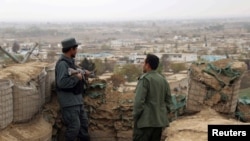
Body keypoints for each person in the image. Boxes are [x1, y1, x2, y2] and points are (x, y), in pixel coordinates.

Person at [55, 37, 90, 141]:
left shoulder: (70, 62)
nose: (77, 51)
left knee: (83, 126)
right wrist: (76, 79)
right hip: (69, 103)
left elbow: (76, 70)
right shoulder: (62, 64)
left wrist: (84, 73)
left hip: (77, 101)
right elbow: (61, 83)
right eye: (76, 48)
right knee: (74, 127)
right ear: (71, 49)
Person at [133, 54, 172, 141]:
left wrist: (136, 116)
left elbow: (139, 102)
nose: (143, 65)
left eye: (144, 63)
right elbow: (169, 101)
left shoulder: (145, 79)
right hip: (158, 124)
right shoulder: (163, 80)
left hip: (144, 123)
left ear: (147, 65)